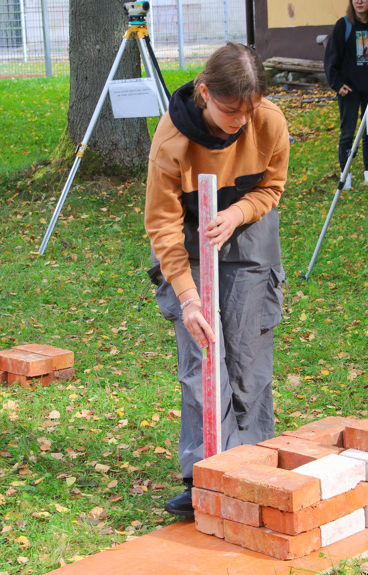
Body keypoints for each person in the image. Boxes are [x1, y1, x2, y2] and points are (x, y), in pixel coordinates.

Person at [144, 43, 289, 518]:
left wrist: (238, 212)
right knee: (202, 356)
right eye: (231, 111)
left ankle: (252, 466)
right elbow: (162, 225)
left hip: (247, 227)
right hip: (189, 233)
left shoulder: (267, 121)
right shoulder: (172, 142)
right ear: (204, 93)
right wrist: (188, 297)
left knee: (247, 353)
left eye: (249, 111)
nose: (240, 122)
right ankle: (203, 474)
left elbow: (272, 186)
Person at [323, 0, 368, 190]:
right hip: (349, 90)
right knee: (348, 133)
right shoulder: (343, 26)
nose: (359, 1)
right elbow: (330, 59)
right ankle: (346, 175)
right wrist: (337, 85)